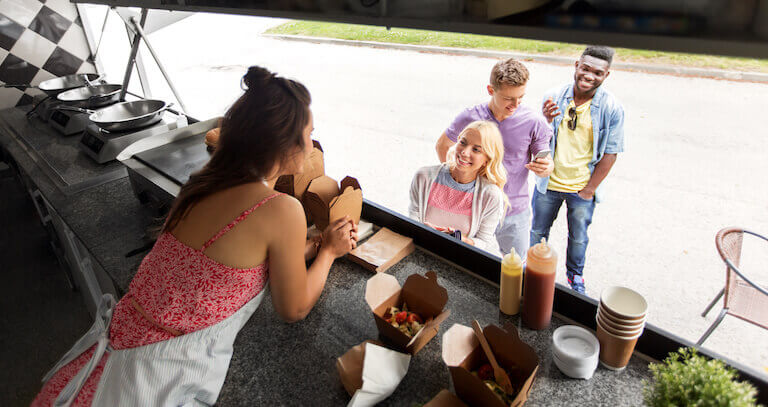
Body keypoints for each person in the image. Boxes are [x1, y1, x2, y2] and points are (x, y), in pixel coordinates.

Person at [32, 66, 358, 406]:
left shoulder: (205, 179)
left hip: (112, 348)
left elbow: (232, 262)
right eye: (309, 134)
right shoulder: (281, 209)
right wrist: (329, 253)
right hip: (152, 376)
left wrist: (305, 249)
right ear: (281, 142)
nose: (312, 145)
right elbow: (294, 309)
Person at [435, 58, 553, 258]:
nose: (515, 104)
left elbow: (546, 160)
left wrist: (546, 166)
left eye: (521, 97)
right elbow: (443, 145)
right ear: (491, 90)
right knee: (463, 258)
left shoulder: (534, 122)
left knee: (515, 265)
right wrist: (456, 180)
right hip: (473, 208)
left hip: (514, 212)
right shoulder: (470, 117)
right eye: (509, 98)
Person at [532, 45, 625, 294]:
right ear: (576, 66)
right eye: (585, 68)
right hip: (548, 185)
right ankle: (531, 271)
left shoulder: (611, 108)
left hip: (582, 188)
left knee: (578, 238)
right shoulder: (553, 96)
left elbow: (611, 153)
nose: (589, 76)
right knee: (537, 232)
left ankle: (575, 278)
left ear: (606, 75)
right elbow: (536, 140)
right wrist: (545, 120)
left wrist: (589, 190)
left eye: (597, 72)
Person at [411, 120, 507, 252]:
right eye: (463, 143)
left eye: (476, 149)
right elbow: (413, 218)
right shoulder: (424, 176)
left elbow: (484, 242)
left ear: (486, 160)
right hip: (424, 250)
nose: (465, 152)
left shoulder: (490, 195)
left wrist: (462, 240)